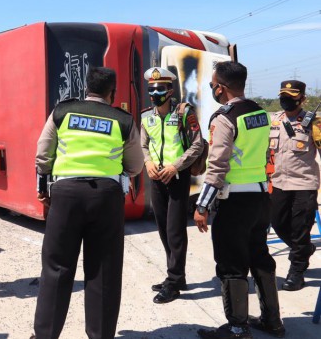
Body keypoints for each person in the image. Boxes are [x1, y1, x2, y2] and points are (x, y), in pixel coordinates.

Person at [32, 67, 144, 339]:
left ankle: (45, 335)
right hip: (106, 196)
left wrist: (43, 189)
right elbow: (136, 165)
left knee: (57, 267)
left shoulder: (62, 112)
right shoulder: (123, 120)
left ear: (86, 88)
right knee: (104, 270)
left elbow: (43, 154)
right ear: (112, 93)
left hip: (66, 194)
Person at [194, 62, 284, 339]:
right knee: (260, 258)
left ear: (221, 87)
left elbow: (217, 167)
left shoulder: (224, 118)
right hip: (259, 199)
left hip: (233, 202)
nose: (212, 88)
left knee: (231, 264)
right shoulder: (260, 112)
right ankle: (272, 321)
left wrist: (202, 205)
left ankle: (237, 328)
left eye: (213, 84)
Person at [141, 67, 205, 304]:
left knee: (175, 231)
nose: (155, 93)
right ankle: (176, 276)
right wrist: (147, 162)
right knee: (162, 229)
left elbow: (197, 145)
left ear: (170, 90)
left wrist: (175, 166)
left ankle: (174, 280)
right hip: (157, 179)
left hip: (177, 179)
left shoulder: (185, 112)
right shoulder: (146, 116)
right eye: (151, 89)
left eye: (160, 89)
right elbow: (143, 144)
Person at [269, 80, 319, 291]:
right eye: (283, 96)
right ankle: (304, 248)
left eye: (291, 96)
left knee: (300, 228)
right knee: (278, 223)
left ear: (302, 98)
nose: (286, 100)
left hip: (304, 183)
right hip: (279, 181)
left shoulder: (313, 122)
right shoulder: (275, 121)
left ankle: (297, 271)